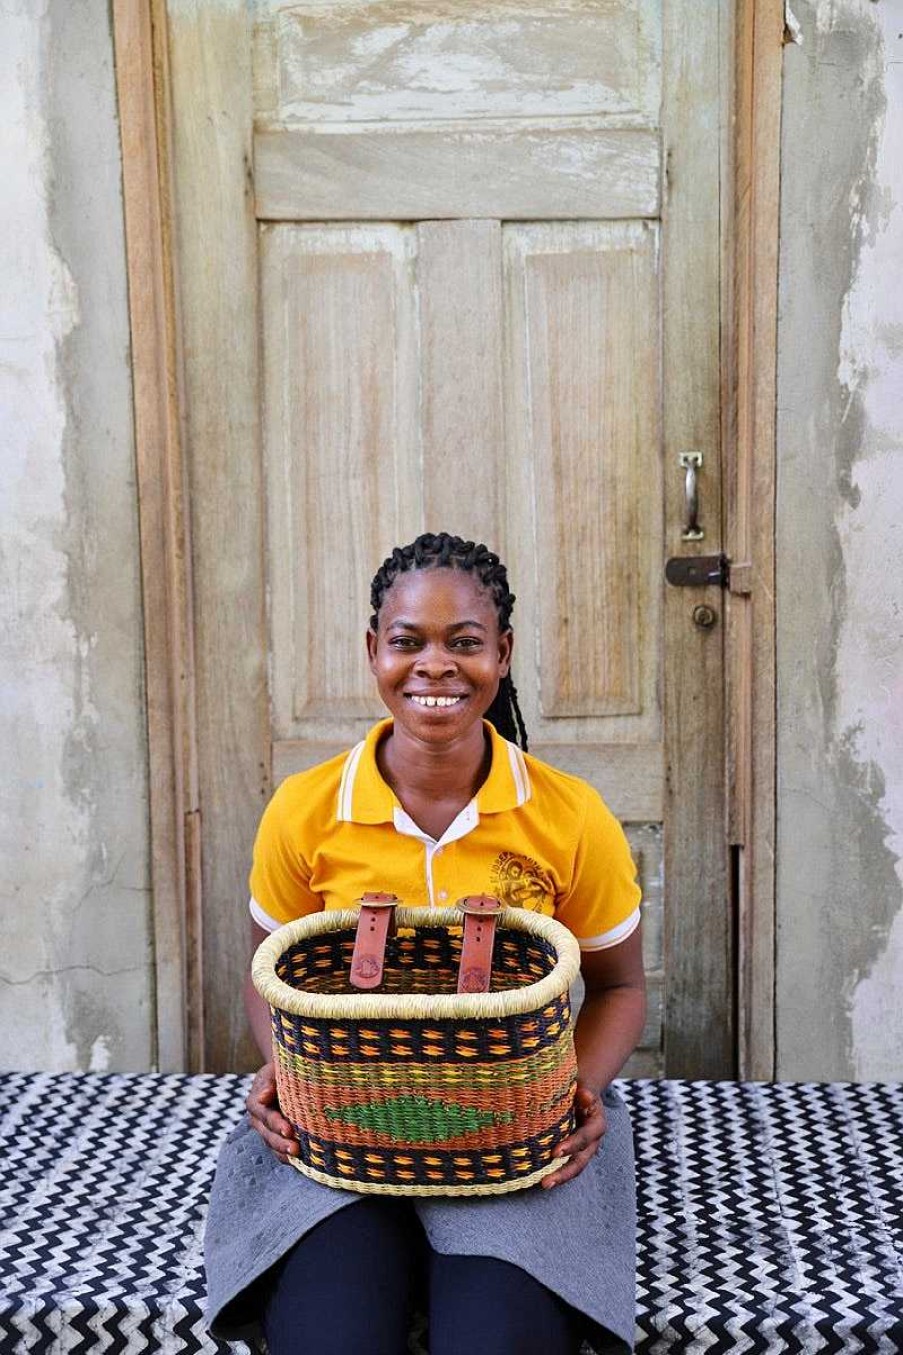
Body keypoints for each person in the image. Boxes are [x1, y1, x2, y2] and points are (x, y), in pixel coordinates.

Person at [204, 532, 646, 1355]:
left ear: (502, 653)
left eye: (464, 642)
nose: (434, 665)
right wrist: (290, 1078)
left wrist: (573, 1096)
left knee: (494, 1337)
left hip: (512, 1132)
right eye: (407, 641)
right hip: (340, 1131)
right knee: (333, 1334)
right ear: (374, 651)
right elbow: (266, 978)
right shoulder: (305, 810)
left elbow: (620, 987)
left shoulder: (568, 814)